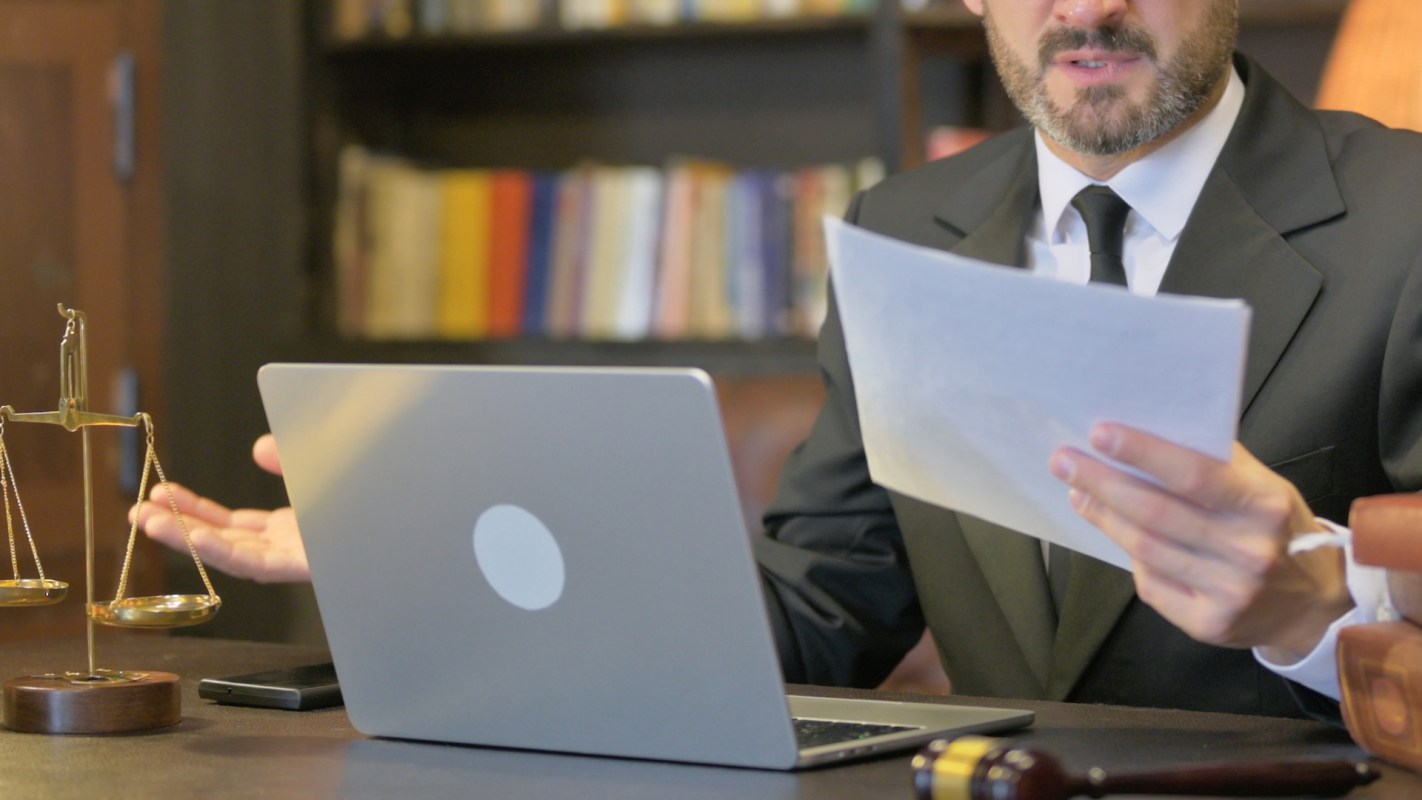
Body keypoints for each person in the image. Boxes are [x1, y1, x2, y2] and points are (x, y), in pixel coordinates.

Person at [138, 0, 1422, 719]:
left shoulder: (1407, 221)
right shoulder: (899, 230)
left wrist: (1318, 613)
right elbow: (821, 614)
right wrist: (429, 545)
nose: (1083, 9)